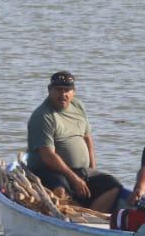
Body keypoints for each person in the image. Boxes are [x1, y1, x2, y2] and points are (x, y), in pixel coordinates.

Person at [26, 71, 122, 213]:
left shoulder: (77, 106)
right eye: (58, 90)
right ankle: (68, 221)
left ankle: (90, 219)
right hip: (49, 170)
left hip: (80, 171)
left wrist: (93, 169)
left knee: (113, 185)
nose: (63, 94)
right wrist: (74, 178)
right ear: (49, 90)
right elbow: (47, 155)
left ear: (73, 92)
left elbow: (87, 137)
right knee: (60, 190)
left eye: (67, 90)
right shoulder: (43, 116)